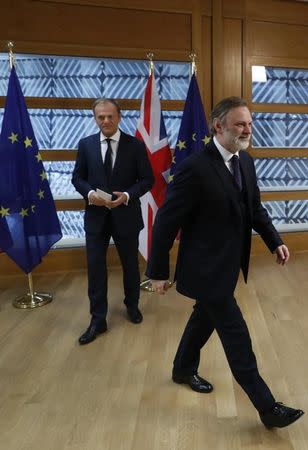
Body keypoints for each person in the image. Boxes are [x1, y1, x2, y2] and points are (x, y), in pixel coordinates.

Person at [146, 96, 304, 428]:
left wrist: (275, 241)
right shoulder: (193, 168)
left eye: (249, 123)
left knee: (204, 318)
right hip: (204, 269)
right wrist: (158, 272)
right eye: (240, 124)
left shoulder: (244, 162)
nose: (248, 129)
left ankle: (182, 368)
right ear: (219, 126)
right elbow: (165, 223)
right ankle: (267, 407)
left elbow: (254, 209)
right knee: (235, 333)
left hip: (229, 264)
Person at [72, 98, 154, 345]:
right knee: (96, 268)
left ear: (119, 117)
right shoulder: (85, 145)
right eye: (100, 117)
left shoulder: (136, 145)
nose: (105, 121)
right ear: (95, 118)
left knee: (130, 265)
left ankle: (132, 305)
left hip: (126, 216)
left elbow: (147, 180)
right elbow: (77, 178)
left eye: (110, 116)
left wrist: (127, 195)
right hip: (96, 218)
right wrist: (90, 194)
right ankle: (98, 319)